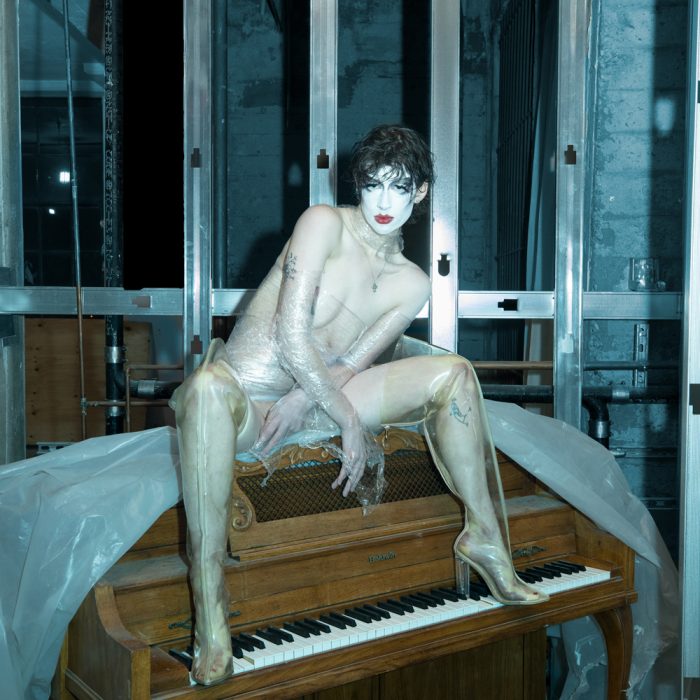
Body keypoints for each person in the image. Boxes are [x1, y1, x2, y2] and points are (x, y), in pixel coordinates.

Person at [170, 124, 548, 686]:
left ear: (421, 192)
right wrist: (346, 418)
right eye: (373, 186)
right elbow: (290, 335)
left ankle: (484, 537)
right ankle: (211, 607)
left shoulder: (413, 284)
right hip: (248, 404)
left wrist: (308, 400)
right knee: (203, 387)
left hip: (317, 398)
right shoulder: (322, 223)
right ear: (358, 187)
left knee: (455, 373)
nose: (384, 202)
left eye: (399, 187)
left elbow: (350, 364)